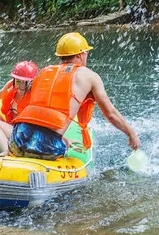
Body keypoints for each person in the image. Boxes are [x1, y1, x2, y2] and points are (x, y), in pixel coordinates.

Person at [8, 32, 141, 160]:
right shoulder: (89, 76)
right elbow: (110, 114)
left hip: (17, 139)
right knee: (61, 144)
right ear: (81, 55)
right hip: (46, 147)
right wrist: (131, 134)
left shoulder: (44, 72)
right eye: (86, 53)